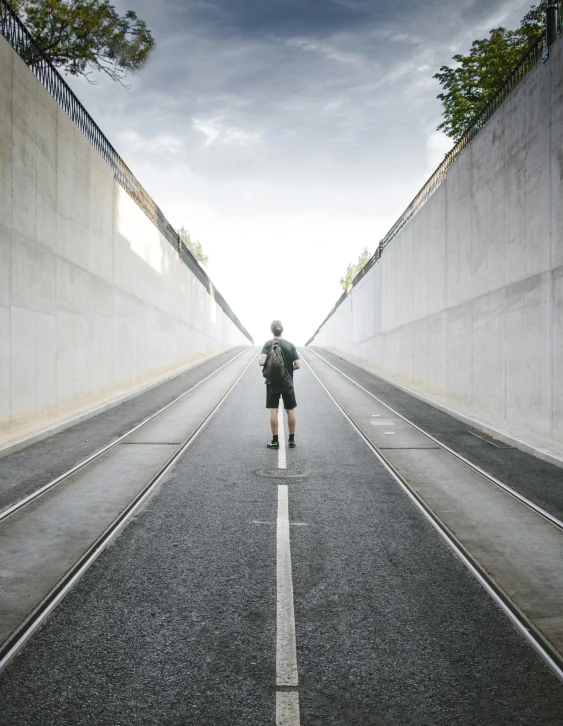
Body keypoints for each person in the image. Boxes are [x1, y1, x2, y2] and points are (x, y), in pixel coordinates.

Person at [258, 320, 300, 449]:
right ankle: (291, 440)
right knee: (290, 410)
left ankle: (275, 441)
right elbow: (298, 365)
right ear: (282, 330)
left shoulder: (268, 344)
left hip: (273, 382)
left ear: (272, 331)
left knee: (274, 410)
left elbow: (261, 362)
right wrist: (287, 368)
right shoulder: (290, 345)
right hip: (287, 382)